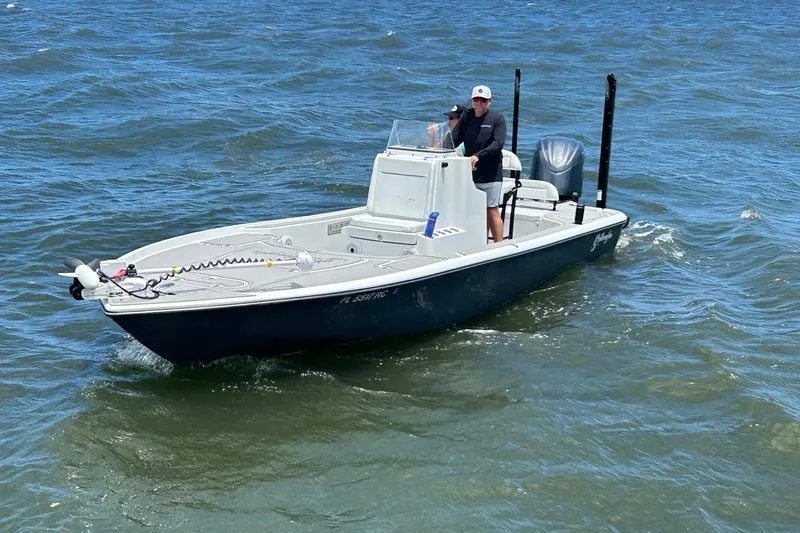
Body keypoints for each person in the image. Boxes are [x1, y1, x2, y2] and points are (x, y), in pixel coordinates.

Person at [451, 85, 507, 242]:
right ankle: (479, 243)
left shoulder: (497, 118)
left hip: (491, 173)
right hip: (469, 172)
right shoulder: (467, 117)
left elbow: (498, 143)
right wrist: (436, 148)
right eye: (476, 100)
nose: (479, 103)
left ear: (489, 101)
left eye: (483, 100)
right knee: (473, 211)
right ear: (472, 100)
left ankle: (499, 247)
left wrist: (478, 156)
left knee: (491, 210)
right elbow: (454, 140)